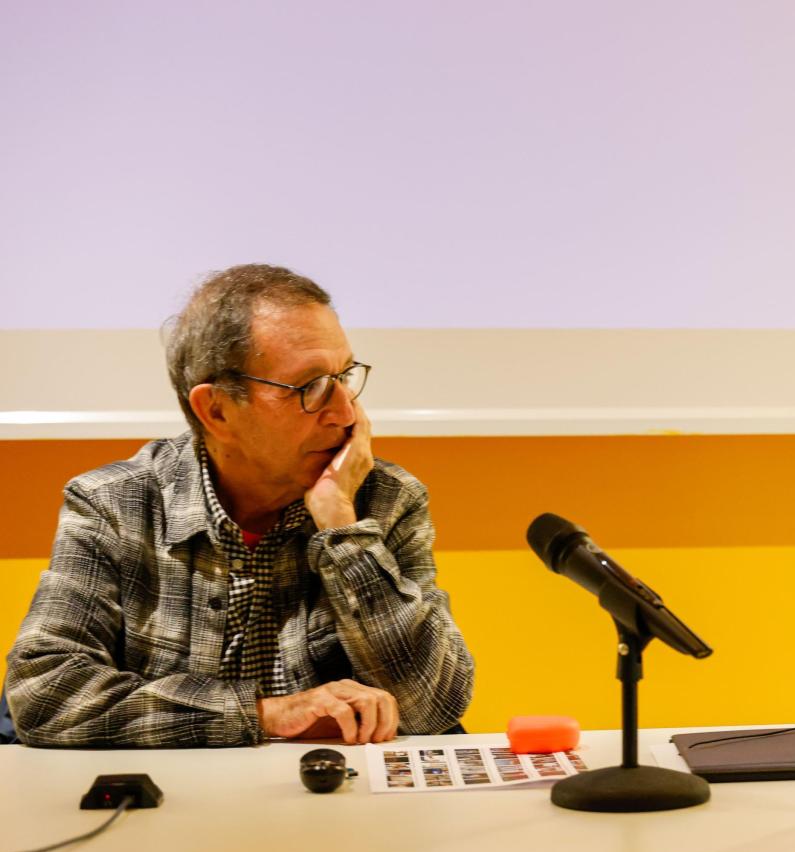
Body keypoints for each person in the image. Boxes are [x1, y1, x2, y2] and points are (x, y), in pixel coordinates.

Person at [5, 264, 474, 748]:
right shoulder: (117, 504)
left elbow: (432, 707)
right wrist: (265, 715)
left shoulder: (383, 499)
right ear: (216, 410)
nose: (345, 412)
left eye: (345, 376)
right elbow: (44, 696)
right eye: (310, 387)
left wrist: (342, 530)